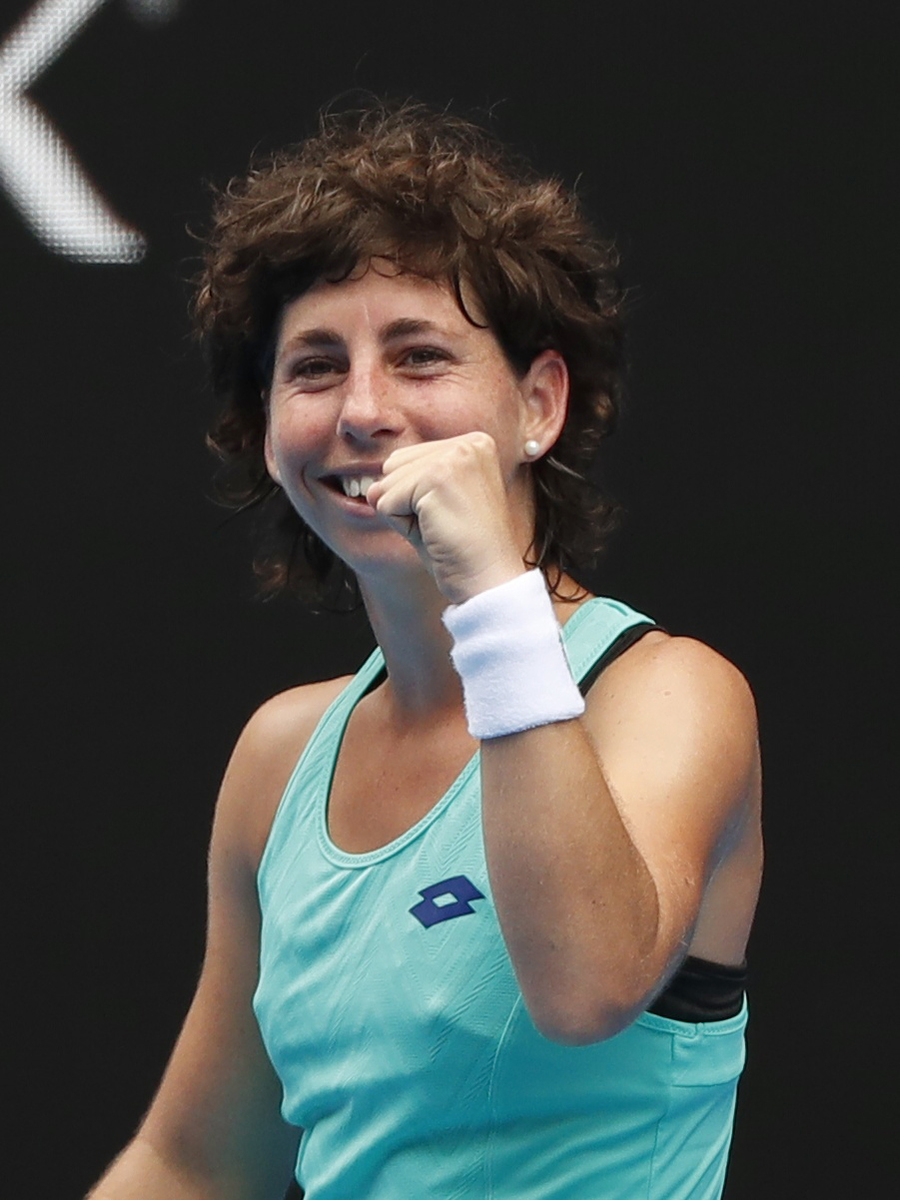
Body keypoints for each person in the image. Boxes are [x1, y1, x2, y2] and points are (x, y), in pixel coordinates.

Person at [88, 101, 762, 1200]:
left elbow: (585, 987)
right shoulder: (279, 756)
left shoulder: (670, 694)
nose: (364, 410)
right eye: (314, 367)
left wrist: (489, 584)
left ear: (538, 405)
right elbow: (196, 1163)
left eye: (419, 356)